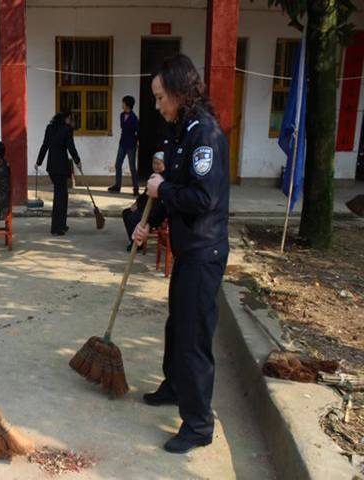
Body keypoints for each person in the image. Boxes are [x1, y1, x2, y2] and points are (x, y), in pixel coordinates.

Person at [132, 54, 230, 454]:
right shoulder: (180, 132)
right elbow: (170, 192)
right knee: (178, 326)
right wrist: (148, 222)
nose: (157, 106)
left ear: (178, 91)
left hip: (204, 251)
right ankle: (174, 386)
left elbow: (202, 197)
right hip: (187, 250)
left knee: (193, 337)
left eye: (159, 97)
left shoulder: (204, 135)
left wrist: (162, 191)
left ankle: (198, 424)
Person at [36, 112, 81, 236]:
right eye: (69, 119)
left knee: (61, 195)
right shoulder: (67, 130)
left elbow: (44, 145)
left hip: (52, 167)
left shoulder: (50, 128)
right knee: (61, 197)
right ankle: (57, 228)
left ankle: (61, 225)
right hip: (61, 167)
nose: (70, 121)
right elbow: (71, 147)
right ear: (66, 119)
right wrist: (77, 160)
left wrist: (38, 161)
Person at [122, 152, 165, 251]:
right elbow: (145, 194)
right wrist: (136, 203)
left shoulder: (165, 179)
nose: (156, 166)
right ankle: (134, 240)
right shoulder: (153, 176)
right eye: (154, 163)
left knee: (133, 218)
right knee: (126, 213)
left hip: (155, 212)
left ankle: (137, 244)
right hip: (145, 207)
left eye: (159, 164)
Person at [109, 95, 140, 195]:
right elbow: (123, 129)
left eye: (123, 103)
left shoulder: (134, 118)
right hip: (122, 143)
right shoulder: (122, 115)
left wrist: (137, 142)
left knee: (132, 167)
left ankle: (136, 188)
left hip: (131, 145)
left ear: (127, 104)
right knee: (118, 165)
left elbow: (138, 132)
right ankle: (117, 186)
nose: (122, 104)